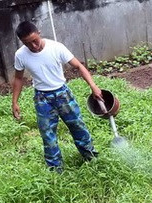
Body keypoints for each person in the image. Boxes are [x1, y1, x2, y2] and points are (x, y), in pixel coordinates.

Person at [11, 21, 102, 172]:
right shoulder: (20, 55)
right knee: (47, 135)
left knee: (77, 126)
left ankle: (90, 157)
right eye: (28, 43)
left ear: (39, 33)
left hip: (63, 94)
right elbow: (18, 78)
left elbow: (79, 66)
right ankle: (55, 169)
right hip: (42, 99)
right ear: (22, 42)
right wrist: (14, 102)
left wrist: (93, 86)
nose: (33, 46)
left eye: (35, 40)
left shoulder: (56, 47)